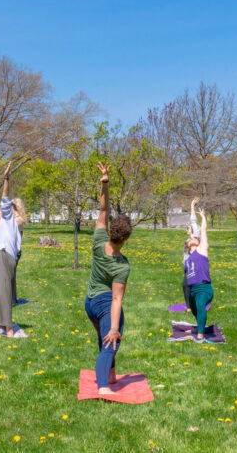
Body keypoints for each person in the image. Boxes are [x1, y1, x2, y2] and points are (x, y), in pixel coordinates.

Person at [84, 162, 133, 394]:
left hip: (89, 303)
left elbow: (103, 211)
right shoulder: (121, 265)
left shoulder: (98, 241)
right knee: (110, 342)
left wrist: (105, 183)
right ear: (127, 238)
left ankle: (111, 376)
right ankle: (103, 387)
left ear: (112, 231)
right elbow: (116, 300)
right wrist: (114, 328)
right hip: (104, 304)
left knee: (104, 338)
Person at [0, 161, 26, 337]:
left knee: (4, 291)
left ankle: (8, 327)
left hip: (5, 255)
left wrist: (6, 177)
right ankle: (1, 322)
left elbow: (5, 195)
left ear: (1, 213)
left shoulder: (7, 219)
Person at [183, 207, 214, 343]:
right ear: (188, 244)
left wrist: (203, 217)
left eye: (196, 238)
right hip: (193, 290)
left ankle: (200, 333)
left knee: (201, 306)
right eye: (192, 238)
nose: (194, 238)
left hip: (203, 288)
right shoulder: (187, 258)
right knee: (195, 309)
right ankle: (199, 326)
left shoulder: (202, 250)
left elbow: (203, 231)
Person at [181, 197, 201, 305]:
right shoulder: (189, 240)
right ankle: (191, 305)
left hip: (194, 266)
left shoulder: (195, 237)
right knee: (187, 285)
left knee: (188, 285)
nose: (186, 230)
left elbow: (193, 221)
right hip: (188, 267)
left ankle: (191, 305)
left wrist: (192, 206)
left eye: (188, 228)